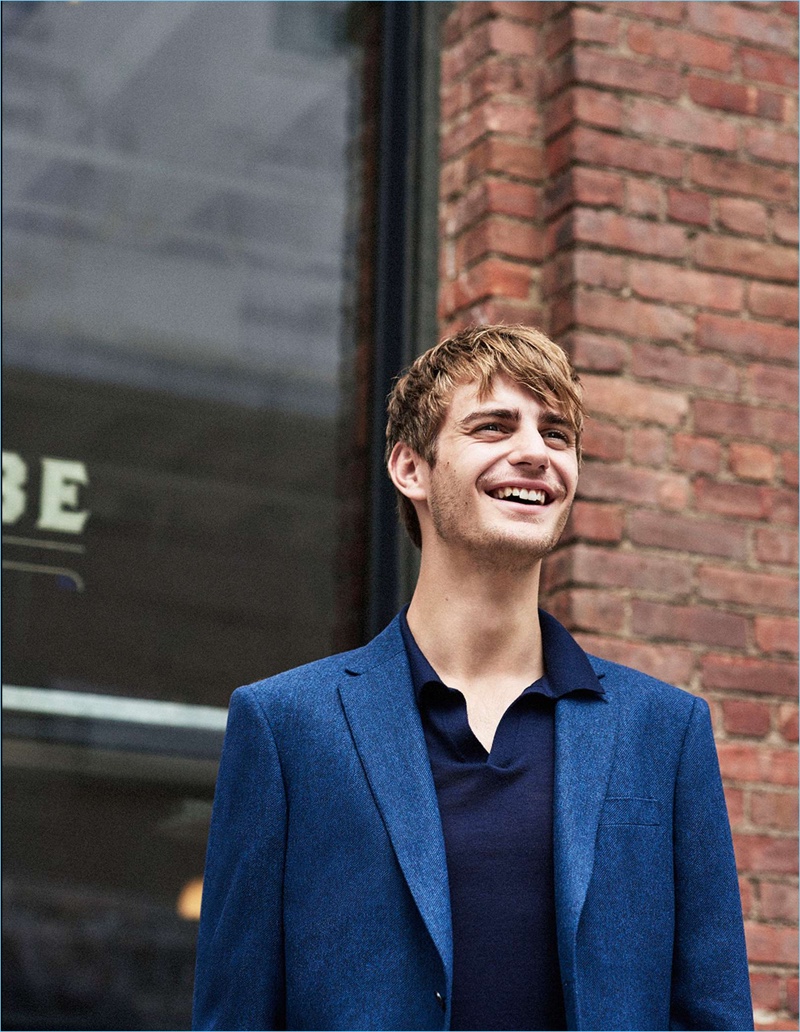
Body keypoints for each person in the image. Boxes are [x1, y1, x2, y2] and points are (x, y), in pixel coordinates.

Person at [193, 325, 753, 1032]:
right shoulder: (286, 727)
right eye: (493, 426)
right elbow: (236, 1017)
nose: (534, 453)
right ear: (410, 468)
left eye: (557, 435)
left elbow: (713, 1016)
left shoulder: (664, 733)